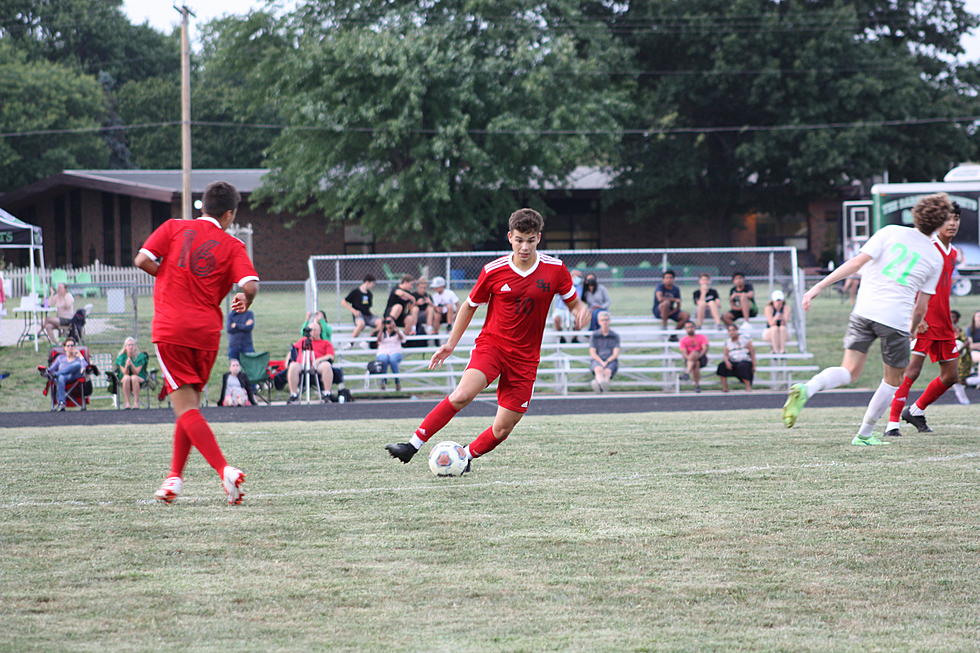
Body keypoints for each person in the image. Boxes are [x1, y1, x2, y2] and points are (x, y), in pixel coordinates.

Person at [385, 208, 589, 470]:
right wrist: (450, 344)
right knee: (462, 395)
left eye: (530, 240)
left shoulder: (555, 269)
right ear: (509, 237)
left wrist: (580, 310)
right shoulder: (494, 271)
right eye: (519, 240)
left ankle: (465, 457)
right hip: (493, 346)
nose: (524, 247)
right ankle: (411, 445)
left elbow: (573, 302)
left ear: (539, 237)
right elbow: (469, 306)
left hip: (526, 358)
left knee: (503, 428)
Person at [781, 192, 950, 446]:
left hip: (863, 311)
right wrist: (913, 328)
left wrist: (817, 287)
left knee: (848, 371)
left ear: (915, 214)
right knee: (892, 381)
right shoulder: (935, 257)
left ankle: (808, 388)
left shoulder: (889, 231)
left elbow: (856, 262)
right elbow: (920, 306)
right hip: (894, 320)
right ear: (939, 224)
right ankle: (864, 434)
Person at [135, 180, 259, 505]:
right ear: (230, 214)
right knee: (189, 406)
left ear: (202, 206)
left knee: (186, 408)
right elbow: (250, 284)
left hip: (172, 329)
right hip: (206, 334)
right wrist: (245, 299)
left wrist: (167, 274)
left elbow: (142, 259)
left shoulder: (174, 227)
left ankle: (224, 470)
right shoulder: (232, 245)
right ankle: (174, 478)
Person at [884, 203, 962, 436]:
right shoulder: (928, 248)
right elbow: (910, 282)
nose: (952, 223)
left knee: (951, 376)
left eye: (956, 218)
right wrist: (913, 316)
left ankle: (915, 411)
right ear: (938, 222)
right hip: (924, 320)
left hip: (944, 323)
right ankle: (892, 424)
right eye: (948, 219)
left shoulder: (954, 253)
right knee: (911, 371)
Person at [286, 320, 337, 404]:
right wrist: (288, 360)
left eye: (315, 330)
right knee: (293, 366)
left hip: (318, 365)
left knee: (326, 365)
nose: (312, 332)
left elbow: (330, 356)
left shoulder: (325, 343)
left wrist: (318, 360)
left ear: (319, 331)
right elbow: (293, 349)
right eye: (311, 329)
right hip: (302, 363)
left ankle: (327, 393)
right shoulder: (303, 341)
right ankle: (293, 394)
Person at [46, 337, 88, 411]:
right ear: (64, 348)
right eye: (68, 346)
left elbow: (85, 365)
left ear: (75, 347)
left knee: (77, 364)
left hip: (75, 376)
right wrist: (46, 371)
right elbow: (51, 369)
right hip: (63, 378)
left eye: (72, 345)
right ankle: (61, 403)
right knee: (61, 377)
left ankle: (57, 374)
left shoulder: (78, 358)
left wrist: (80, 356)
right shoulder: (60, 358)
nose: (70, 347)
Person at [717, 323, 756, 392]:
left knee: (742, 366)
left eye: (733, 330)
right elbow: (725, 354)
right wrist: (727, 361)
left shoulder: (745, 339)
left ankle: (748, 386)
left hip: (744, 360)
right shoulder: (727, 342)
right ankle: (725, 387)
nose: (731, 332)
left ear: (737, 330)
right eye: (729, 331)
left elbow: (752, 352)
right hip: (733, 360)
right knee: (722, 366)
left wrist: (754, 364)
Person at [588, 311, 620, 392]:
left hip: (611, 360)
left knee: (607, 372)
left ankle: (598, 385)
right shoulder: (594, 335)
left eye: (606, 320)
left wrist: (607, 361)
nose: (604, 322)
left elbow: (615, 354)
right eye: (602, 320)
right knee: (598, 370)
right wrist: (601, 362)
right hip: (597, 359)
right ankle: (603, 386)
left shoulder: (615, 336)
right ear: (599, 322)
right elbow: (593, 353)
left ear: (609, 321)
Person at [342, 274, 379, 343]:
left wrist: (373, 315)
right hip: (359, 315)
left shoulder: (370, 294)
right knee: (361, 324)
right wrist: (353, 311)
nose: (373, 286)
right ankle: (350, 343)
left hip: (368, 316)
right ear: (367, 282)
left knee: (381, 323)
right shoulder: (355, 292)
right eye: (372, 284)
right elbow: (343, 302)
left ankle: (367, 341)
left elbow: (368, 307)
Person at [114, 336, 149, 409]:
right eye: (128, 345)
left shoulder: (141, 356)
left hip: (140, 377)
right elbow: (124, 373)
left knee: (134, 377)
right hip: (125, 378)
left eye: (132, 345)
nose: (130, 347)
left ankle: (136, 403)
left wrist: (132, 364)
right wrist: (127, 365)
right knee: (127, 378)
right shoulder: (121, 357)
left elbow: (136, 372)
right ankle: (127, 403)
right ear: (125, 347)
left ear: (135, 346)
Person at [653, 269, 689, 338]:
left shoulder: (676, 289)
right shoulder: (660, 286)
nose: (669, 279)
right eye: (666, 278)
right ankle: (664, 327)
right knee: (666, 303)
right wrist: (674, 299)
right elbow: (660, 299)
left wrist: (673, 311)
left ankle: (674, 335)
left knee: (686, 315)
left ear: (674, 279)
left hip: (670, 311)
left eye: (670, 278)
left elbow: (678, 303)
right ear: (663, 279)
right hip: (659, 310)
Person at [551, 269, 584, 342]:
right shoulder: (562, 284)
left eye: (580, 277)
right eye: (577, 276)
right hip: (560, 308)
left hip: (572, 308)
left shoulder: (579, 287)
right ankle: (561, 337)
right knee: (556, 319)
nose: (579, 278)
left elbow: (577, 299)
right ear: (571, 276)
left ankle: (575, 338)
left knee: (579, 318)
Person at [376, 316, 407, 391]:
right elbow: (378, 340)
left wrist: (396, 330)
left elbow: (403, 340)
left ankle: (397, 382)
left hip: (395, 352)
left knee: (393, 360)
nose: (389, 324)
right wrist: (381, 328)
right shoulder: (382, 333)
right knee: (384, 359)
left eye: (390, 322)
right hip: (383, 352)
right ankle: (383, 381)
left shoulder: (398, 332)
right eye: (387, 322)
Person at [678, 320, 709, 393]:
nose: (690, 329)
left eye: (691, 327)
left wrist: (697, 356)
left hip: (701, 357)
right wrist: (690, 358)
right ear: (685, 329)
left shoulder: (702, 337)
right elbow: (684, 352)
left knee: (695, 353)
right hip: (689, 360)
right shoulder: (683, 340)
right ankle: (697, 386)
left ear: (695, 328)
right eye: (687, 328)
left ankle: (687, 373)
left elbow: (705, 349)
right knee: (696, 363)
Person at [951, 310, 972, 405]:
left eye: (953, 317)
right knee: (956, 380)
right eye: (949, 316)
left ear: (957, 319)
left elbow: (966, 343)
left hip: (962, 359)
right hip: (951, 359)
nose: (951, 319)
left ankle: (964, 400)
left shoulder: (960, 331)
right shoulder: (945, 330)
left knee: (961, 380)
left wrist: (961, 348)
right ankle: (964, 400)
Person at [762, 290, 792, 355]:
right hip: (770, 332)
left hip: (782, 333)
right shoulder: (768, 308)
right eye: (777, 300)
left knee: (782, 328)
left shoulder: (786, 308)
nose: (778, 302)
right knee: (774, 328)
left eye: (780, 300)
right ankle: (775, 350)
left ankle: (782, 350)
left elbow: (784, 323)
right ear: (773, 301)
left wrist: (782, 318)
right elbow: (771, 323)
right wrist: (776, 317)